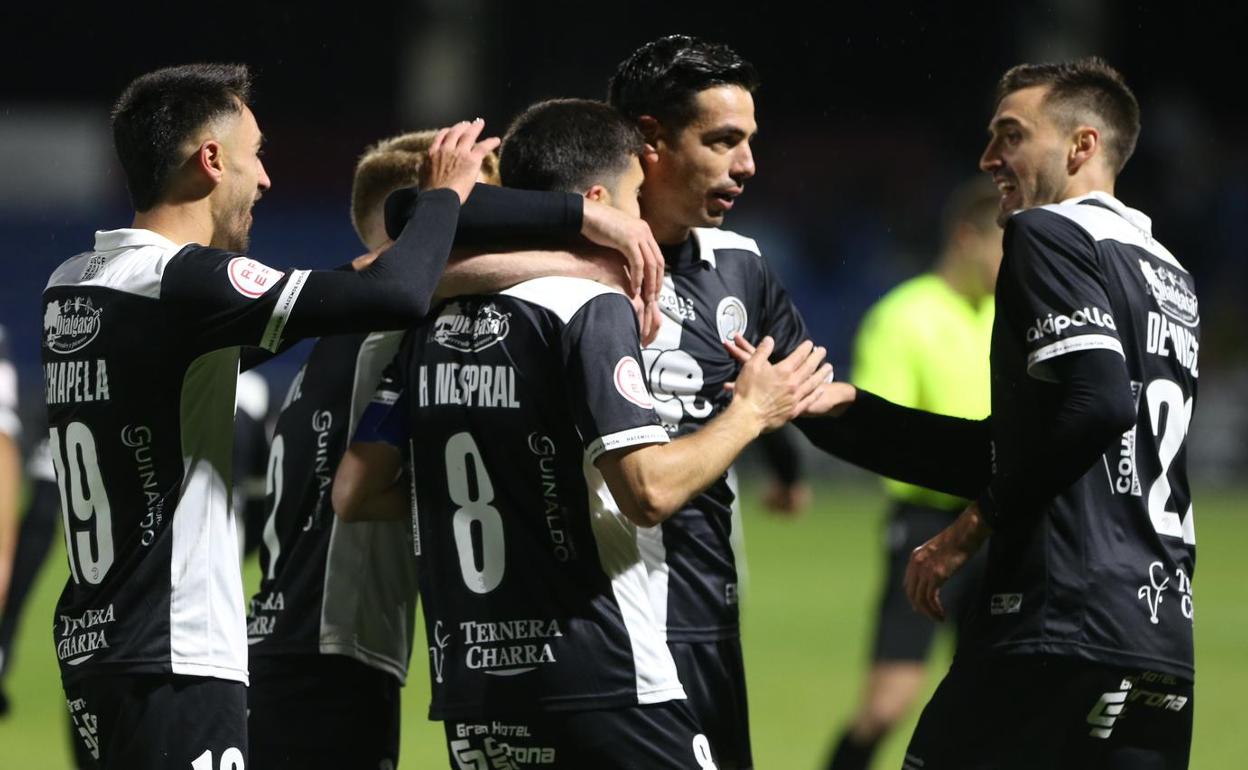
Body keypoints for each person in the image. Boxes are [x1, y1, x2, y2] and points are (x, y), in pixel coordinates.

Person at [42, 62, 661, 770]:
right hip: (174, 649)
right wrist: (452, 197)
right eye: (256, 155)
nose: (266, 179)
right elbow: (396, 291)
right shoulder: (183, 281)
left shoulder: (76, 285)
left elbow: (352, 286)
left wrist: (563, 256)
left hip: (99, 643)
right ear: (210, 161)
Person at [333, 97, 835, 769]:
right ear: (598, 201)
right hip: (600, 673)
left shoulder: (429, 324)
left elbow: (359, 490)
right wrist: (752, 411)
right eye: (633, 200)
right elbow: (648, 492)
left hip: (474, 687)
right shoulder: (588, 308)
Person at [754, 57, 1198, 769]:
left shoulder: (1048, 235)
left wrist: (970, 526)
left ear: (1081, 146)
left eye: (1011, 136)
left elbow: (1098, 405)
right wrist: (850, 415)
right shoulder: (1165, 271)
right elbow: (1028, 446)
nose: (989, 157)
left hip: (1057, 621)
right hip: (1158, 635)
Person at [606, 35, 824, 768]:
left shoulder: (740, 264)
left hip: (704, 616)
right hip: (598, 623)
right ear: (650, 140)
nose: (747, 165)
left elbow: (800, 393)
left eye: (750, 142)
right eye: (723, 140)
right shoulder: (562, 269)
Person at [824, 179, 1000, 770]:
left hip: (1003, 518)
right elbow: (884, 441)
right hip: (927, 521)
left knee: (996, 701)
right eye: (1007, 245)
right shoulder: (903, 315)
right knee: (887, 704)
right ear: (967, 237)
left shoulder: (1017, 315)